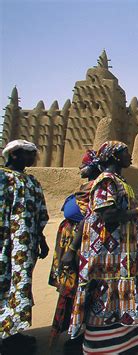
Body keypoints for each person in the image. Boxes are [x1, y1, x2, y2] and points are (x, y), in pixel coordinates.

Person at [66, 141, 138, 354]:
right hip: (107, 256)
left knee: (119, 299)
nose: (131, 156)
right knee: (105, 298)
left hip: (121, 256)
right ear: (115, 157)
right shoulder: (106, 181)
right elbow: (107, 215)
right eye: (126, 152)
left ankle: (122, 345)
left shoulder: (118, 181)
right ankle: (102, 348)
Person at [47, 150, 101, 349]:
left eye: (85, 164)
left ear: (94, 166)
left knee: (79, 291)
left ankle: (77, 336)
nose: (81, 168)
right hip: (73, 246)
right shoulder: (87, 187)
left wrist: (71, 249)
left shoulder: (98, 188)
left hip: (81, 248)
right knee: (71, 291)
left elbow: (88, 219)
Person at [0, 139, 49, 354]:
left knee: (19, 286)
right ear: (15, 155)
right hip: (5, 243)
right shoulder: (3, 178)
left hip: (24, 246)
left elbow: (39, 212)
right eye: (29, 153)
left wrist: (41, 238)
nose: (34, 157)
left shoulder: (31, 181)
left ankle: (12, 331)